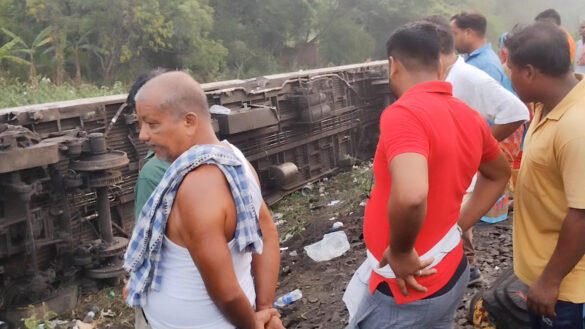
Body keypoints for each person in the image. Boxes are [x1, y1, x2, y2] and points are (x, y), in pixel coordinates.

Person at [343, 22, 510, 329]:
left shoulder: (403, 113)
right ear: (440, 65)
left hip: (407, 289)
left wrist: (403, 251)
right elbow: (500, 173)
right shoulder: (468, 115)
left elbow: (411, 196)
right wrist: (460, 225)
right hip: (448, 269)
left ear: (393, 65)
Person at [123, 71, 283, 329]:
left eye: (152, 124)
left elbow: (228, 294)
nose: (143, 135)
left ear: (189, 122)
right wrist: (264, 308)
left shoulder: (198, 187)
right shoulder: (235, 158)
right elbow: (266, 232)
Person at [422, 14, 529, 286]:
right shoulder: (452, 73)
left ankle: (463, 271)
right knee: (452, 221)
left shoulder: (468, 74)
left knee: (454, 221)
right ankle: (466, 270)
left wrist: (476, 146)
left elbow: (515, 110)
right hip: (448, 164)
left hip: (459, 165)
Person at [505, 22, 585, 328]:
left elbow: (582, 214)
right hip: (542, 270)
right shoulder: (547, 104)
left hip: (565, 287)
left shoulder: (576, 128)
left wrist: (550, 281)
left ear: (528, 72)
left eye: (509, 68)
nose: (507, 76)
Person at [127, 70, 171, 221]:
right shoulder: (231, 154)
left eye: (151, 123)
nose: (142, 135)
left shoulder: (151, 174)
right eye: (139, 122)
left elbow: (144, 241)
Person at [450, 10, 515, 93]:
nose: (452, 39)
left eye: (454, 33)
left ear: (468, 33)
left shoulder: (488, 65)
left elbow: (489, 102)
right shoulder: (465, 57)